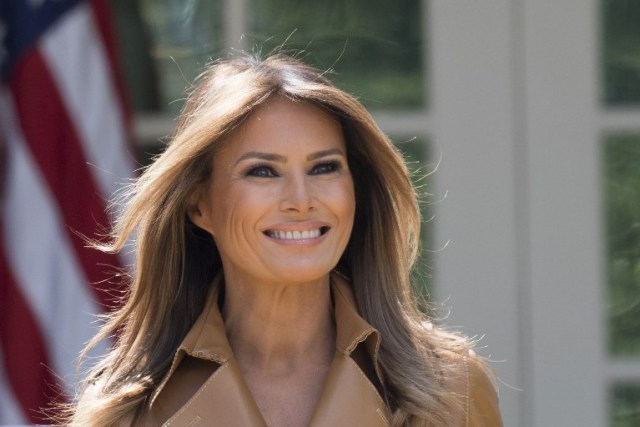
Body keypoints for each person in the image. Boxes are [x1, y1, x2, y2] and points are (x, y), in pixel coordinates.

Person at [67, 53, 503, 426]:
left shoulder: (451, 388)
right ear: (200, 206)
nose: (301, 200)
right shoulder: (124, 411)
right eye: (263, 171)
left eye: (324, 168)